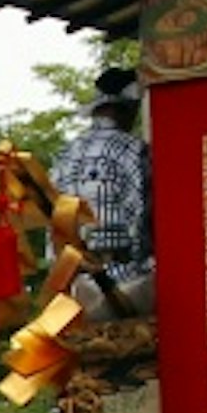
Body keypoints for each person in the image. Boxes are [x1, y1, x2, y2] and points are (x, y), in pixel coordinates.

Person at [56, 68, 154, 315]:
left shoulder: (65, 155)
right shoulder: (133, 150)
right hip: (126, 281)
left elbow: (54, 227)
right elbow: (140, 215)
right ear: (127, 107)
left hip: (77, 285)